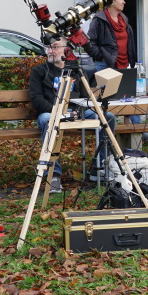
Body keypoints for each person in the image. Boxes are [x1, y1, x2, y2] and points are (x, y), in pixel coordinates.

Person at [29, 38, 116, 193]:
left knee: (107, 117)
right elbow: (36, 99)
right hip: (51, 113)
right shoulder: (39, 71)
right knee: (46, 120)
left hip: (76, 112)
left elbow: (85, 98)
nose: (51, 51)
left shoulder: (77, 71)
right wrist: (59, 112)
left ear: (66, 49)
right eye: (48, 47)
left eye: (55, 47)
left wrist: (76, 112)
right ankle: (54, 174)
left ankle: (100, 167)